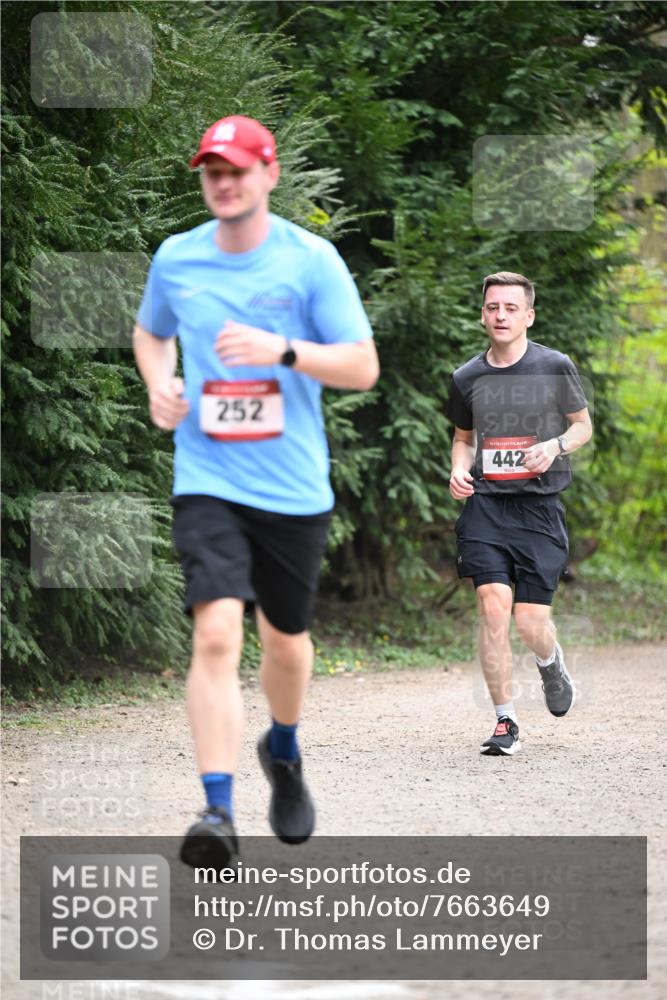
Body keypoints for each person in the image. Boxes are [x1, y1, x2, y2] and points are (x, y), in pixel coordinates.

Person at [133, 115, 379, 867]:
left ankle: (285, 748)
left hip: (292, 486)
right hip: (207, 475)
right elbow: (152, 332)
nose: (224, 181)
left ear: (269, 175)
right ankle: (215, 810)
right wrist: (159, 385)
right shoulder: (178, 258)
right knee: (214, 631)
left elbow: (363, 367)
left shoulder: (310, 262)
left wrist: (285, 349)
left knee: (286, 642)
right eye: (212, 170)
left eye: (238, 169)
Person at [447, 271, 592, 756]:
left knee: (530, 622)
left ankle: (550, 661)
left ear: (528, 315)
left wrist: (553, 447)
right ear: (483, 313)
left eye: (510, 308)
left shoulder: (554, 366)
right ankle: (505, 721)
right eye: (493, 307)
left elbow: (582, 428)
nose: (500, 315)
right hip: (486, 507)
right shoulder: (467, 377)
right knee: (492, 606)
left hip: (539, 510)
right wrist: (458, 471)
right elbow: (463, 439)